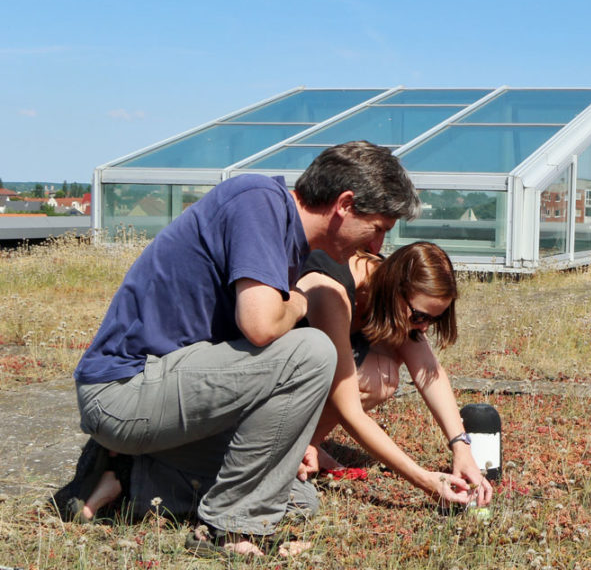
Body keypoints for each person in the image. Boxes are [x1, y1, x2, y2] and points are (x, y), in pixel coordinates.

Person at [54, 141, 420, 559]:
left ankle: (124, 476)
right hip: (125, 390)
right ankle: (229, 530)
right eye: (379, 228)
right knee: (313, 350)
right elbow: (261, 326)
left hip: (170, 397)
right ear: (345, 204)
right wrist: (302, 298)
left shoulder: (289, 242)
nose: (376, 247)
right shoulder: (258, 202)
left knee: (297, 497)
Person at [297, 241, 493, 509]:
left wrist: (461, 447)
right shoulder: (334, 291)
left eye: (433, 319)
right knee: (370, 379)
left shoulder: (390, 290)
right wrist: (426, 482)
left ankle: (308, 444)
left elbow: (428, 371)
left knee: (383, 374)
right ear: (396, 289)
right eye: (419, 316)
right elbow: (350, 411)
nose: (423, 327)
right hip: (268, 391)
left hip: (304, 379)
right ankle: (293, 448)